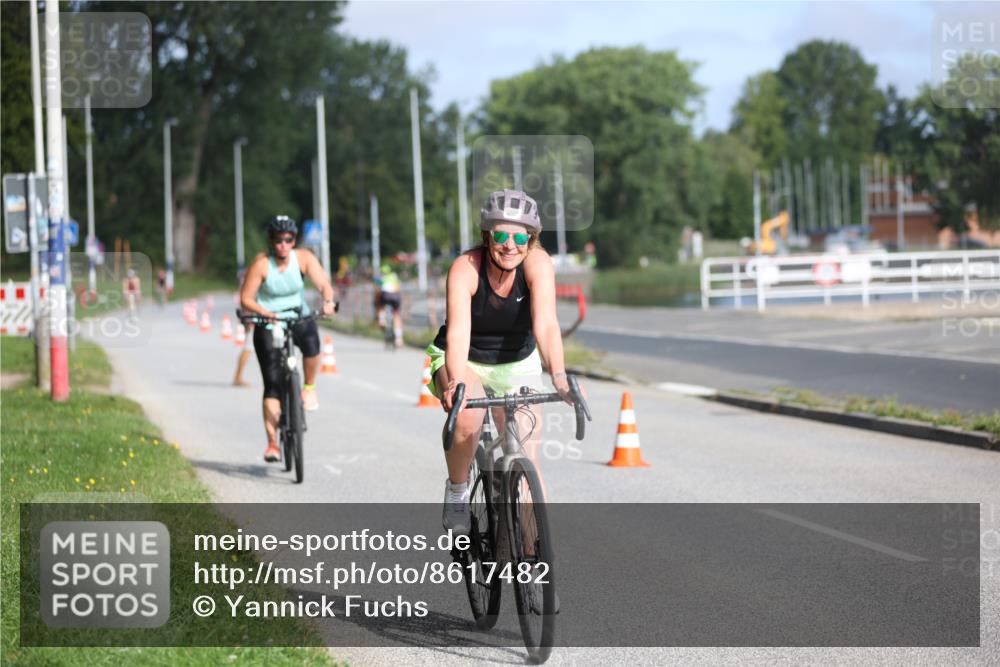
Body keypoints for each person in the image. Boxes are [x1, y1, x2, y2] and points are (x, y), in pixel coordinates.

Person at [427, 189, 571, 534]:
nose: (510, 245)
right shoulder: (465, 268)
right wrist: (456, 382)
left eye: (519, 237)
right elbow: (458, 333)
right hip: (465, 358)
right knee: (468, 417)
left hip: (517, 360)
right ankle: (458, 491)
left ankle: (533, 552)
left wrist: (559, 376)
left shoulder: (538, 264)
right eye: (500, 236)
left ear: (530, 239)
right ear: (486, 236)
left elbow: (546, 324)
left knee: (525, 455)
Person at [240, 215, 336, 462]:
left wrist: (327, 302)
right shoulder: (262, 264)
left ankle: (309, 387)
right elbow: (246, 298)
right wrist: (266, 313)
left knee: (312, 344)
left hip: (296, 315)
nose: (283, 245)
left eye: (288, 240)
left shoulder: (303, 258)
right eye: (278, 240)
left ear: (294, 241)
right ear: (271, 241)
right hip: (268, 320)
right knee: (272, 384)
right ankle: (272, 443)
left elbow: (323, 284)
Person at [233, 267, 254, 387]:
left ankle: (238, 376)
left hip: (249, 317)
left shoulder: (247, 276)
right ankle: (238, 377)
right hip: (252, 319)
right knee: (248, 347)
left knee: (249, 347)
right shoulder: (251, 278)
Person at [378, 263, 403, 347]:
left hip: (385, 295)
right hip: (395, 296)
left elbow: (378, 288)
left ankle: (382, 320)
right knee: (397, 315)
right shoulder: (394, 276)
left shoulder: (381, 277)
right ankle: (399, 338)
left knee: (381, 306)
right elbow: (398, 287)